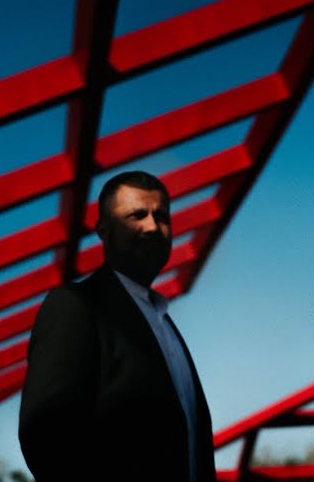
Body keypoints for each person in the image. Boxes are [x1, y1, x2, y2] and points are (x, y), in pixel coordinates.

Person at [19, 171, 216, 482]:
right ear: (103, 231)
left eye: (161, 216)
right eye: (137, 215)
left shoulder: (165, 323)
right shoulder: (75, 306)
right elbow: (46, 436)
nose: (152, 226)